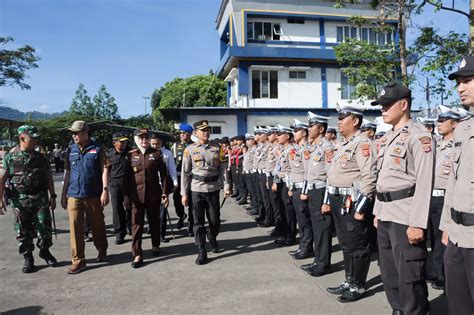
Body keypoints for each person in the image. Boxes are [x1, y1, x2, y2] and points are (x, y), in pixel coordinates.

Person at [371, 84, 433, 314]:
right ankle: (398, 310)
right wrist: (377, 210)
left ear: (404, 105)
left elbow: (425, 182)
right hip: (385, 212)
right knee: (389, 273)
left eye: (387, 105)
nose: (383, 110)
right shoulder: (387, 139)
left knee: (410, 276)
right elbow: (382, 179)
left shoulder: (419, 136)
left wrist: (417, 223)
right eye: (381, 105)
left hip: (405, 215)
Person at [324, 103, 377, 303]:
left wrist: (361, 208)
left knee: (358, 244)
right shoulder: (344, 143)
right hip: (339, 199)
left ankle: (359, 285)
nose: (338, 122)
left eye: (342, 118)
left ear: (355, 121)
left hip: (352, 201)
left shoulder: (363, 143)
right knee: (345, 242)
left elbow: (369, 177)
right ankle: (349, 280)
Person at [440, 55, 474, 315]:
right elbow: (454, 180)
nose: (460, 87)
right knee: (458, 305)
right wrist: (447, 226)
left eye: (467, 81)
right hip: (457, 235)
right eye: (459, 82)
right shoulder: (462, 129)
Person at [0, 125, 58, 273]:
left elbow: (49, 177)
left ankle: (44, 251)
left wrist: (53, 195)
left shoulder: (40, 158)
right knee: (23, 230)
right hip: (20, 200)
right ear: (22, 138)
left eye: (36, 137)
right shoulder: (10, 157)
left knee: (45, 227)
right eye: (32, 138)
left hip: (40, 198)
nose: (35, 140)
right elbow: (2, 178)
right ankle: (28, 257)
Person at [61, 121, 109, 274]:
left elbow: (104, 169)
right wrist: (63, 194)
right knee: (75, 227)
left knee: (98, 226)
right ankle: (78, 260)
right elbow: (67, 172)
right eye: (73, 133)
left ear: (85, 132)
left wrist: (105, 190)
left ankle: (102, 250)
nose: (74, 135)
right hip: (74, 194)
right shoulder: (70, 149)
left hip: (93, 194)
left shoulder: (98, 148)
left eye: (77, 132)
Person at [181, 120, 230, 265]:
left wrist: (226, 186)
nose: (206, 132)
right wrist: (184, 193)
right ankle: (201, 249)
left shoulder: (217, 148)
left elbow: (223, 169)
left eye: (208, 130)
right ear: (196, 133)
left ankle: (212, 237)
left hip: (213, 189)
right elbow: (185, 173)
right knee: (198, 221)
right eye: (203, 130)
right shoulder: (189, 149)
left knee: (215, 220)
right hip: (196, 189)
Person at [426, 105, 461, 291]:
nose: (438, 124)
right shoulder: (434, 144)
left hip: (445, 197)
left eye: (442, 121)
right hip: (430, 196)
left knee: (443, 238)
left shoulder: (457, 145)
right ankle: (434, 269)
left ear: (454, 124)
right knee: (431, 236)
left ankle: (443, 275)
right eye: (438, 121)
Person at [126, 129, 169, 268]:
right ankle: (137, 254)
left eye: (146, 137)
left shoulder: (156, 154)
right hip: (136, 196)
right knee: (136, 225)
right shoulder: (130, 155)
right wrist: (126, 197)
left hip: (153, 194)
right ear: (136, 139)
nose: (144, 140)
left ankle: (155, 245)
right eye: (141, 137)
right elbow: (125, 178)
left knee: (154, 221)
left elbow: (164, 175)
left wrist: (165, 193)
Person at [300, 112, 334, 277]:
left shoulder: (327, 148)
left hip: (322, 192)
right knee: (316, 228)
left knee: (323, 229)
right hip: (313, 191)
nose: (309, 128)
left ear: (320, 129)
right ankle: (317, 260)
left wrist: (327, 201)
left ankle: (323, 263)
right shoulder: (314, 147)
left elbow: (330, 177)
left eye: (311, 126)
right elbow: (308, 172)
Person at [288, 119, 313, 259]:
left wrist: (304, 191)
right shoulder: (297, 149)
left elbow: (307, 173)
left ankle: (307, 248)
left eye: (296, 131)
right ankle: (302, 246)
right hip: (296, 188)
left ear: (303, 133)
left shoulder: (306, 150)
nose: (294, 133)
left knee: (305, 220)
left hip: (303, 190)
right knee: (300, 220)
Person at [150, 133, 177, 243]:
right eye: (153, 144)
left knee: (162, 212)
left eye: (157, 144)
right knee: (151, 212)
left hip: (163, 186)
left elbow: (172, 169)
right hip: (150, 186)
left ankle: (161, 234)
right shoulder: (146, 154)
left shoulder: (167, 154)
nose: (155, 146)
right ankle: (153, 230)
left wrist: (175, 183)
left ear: (161, 143)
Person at [106, 132, 132, 245]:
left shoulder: (131, 153)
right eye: (121, 142)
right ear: (114, 143)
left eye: (125, 141)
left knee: (129, 207)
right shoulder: (109, 155)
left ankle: (130, 227)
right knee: (117, 209)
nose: (124, 144)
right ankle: (119, 233)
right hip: (115, 184)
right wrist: (105, 188)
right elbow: (106, 171)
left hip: (128, 183)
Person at [171, 123, 194, 235]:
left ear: (190, 134)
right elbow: (171, 162)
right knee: (177, 200)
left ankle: (191, 224)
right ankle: (181, 216)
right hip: (178, 177)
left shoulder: (194, 146)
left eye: (184, 133)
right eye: (181, 133)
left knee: (192, 202)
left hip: (191, 178)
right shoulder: (175, 146)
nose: (182, 135)